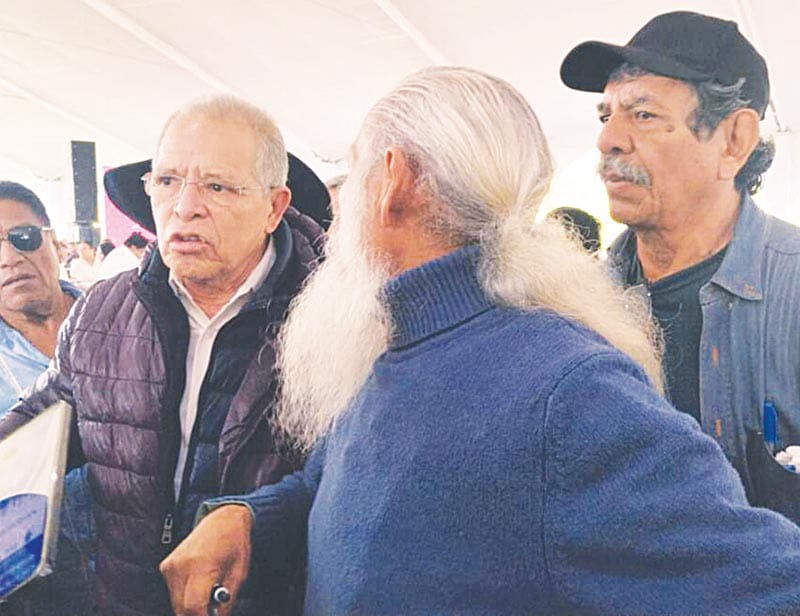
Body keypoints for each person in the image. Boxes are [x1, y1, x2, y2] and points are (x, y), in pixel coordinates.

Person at [161, 67, 800, 616]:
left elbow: (770, 585)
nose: (341, 206)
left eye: (354, 174)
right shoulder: (395, 342)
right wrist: (248, 517)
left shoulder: (570, 393)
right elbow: (335, 476)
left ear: (394, 181)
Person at [0, 95, 323, 615]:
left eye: (217, 186)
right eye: (167, 180)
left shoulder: (333, 319)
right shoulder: (104, 310)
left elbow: (350, 480)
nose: (184, 206)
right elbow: (46, 417)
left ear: (273, 207)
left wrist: (257, 521)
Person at [560, 10, 800, 522]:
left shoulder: (792, 291)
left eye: (643, 115)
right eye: (606, 116)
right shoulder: (582, 305)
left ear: (733, 141)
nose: (607, 140)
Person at [0, 181, 95, 615]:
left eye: (22, 237)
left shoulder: (120, 318)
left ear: (55, 242)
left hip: (140, 567)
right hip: (35, 586)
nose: (9, 257)